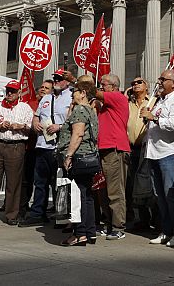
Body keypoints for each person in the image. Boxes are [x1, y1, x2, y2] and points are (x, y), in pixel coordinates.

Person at [141, 69, 174, 247]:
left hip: (169, 152)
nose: (159, 82)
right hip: (153, 152)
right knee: (159, 195)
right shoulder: (160, 100)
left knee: (171, 194)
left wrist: (153, 117)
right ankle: (166, 230)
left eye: (163, 79)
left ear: (173, 83)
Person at [20, 72, 72, 227]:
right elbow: (37, 116)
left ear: (67, 82)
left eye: (60, 79)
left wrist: (59, 127)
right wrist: (35, 122)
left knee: (60, 182)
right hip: (42, 145)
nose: (56, 81)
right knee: (40, 181)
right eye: (55, 78)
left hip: (60, 146)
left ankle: (61, 215)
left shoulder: (71, 97)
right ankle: (37, 213)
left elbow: (74, 122)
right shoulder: (46, 98)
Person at [0, 80, 34, 226]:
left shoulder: (25, 108)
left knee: (14, 181)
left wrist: (20, 126)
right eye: (8, 90)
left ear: (19, 93)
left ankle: (11, 214)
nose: (10, 93)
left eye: (13, 91)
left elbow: (31, 128)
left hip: (16, 145)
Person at [59, 82, 101, 246]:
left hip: (79, 157)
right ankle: (90, 232)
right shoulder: (91, 111)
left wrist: (68, 155)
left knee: (77, 196)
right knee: (87, 196)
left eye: (74, 91)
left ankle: (80, 233)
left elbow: (77, 134)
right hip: (89, 157)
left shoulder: (80, 110)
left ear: (83, 93)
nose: (71, 94)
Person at [94, 73, 131, 240]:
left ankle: (118, 226)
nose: (101, 86)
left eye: (104, 84)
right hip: (102, 149)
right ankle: (108, 223)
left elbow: (95, 92)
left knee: (115, 190)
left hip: (115, 149)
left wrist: (74, 80)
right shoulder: (104, 106)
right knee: (102, 190)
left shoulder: (118, 97)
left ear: (114, 87)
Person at [19, 81, 54, 219]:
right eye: (42, 87)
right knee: (31, 180)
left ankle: (54, 208)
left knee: (50, 181)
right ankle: (28, 207)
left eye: (46, 88)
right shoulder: (31, 104)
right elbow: (31, 120)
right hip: (32, 146)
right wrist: (34, 122)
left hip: (50, 146)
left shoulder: (55, 102)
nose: (43, 90)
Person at [126, 76, 153, 229]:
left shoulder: (153, 101)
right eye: (133, 83)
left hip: (147, 148)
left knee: (148, 184)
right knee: (134, 185)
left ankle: (156, 219)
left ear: (147, 86)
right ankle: (143, 219)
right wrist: (125, 94)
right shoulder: (128, 104)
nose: (135, 85)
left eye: (139, 82)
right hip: (131, 148)